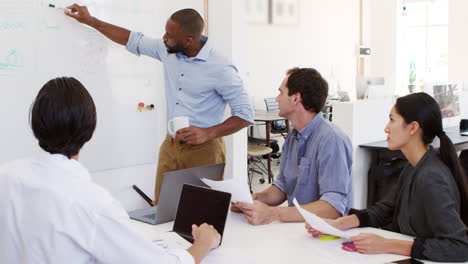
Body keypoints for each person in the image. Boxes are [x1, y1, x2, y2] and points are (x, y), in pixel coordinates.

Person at [0, 77, 220, 264]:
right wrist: (203, 243)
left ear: (36, 123)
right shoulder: (92, 203)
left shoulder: (7, 176)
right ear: (90, 129)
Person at [64, 5, 254, 204]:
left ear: (188, 40)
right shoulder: (167, 50)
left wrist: (208, 133)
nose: (164, 38)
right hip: (170, 146)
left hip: (205, 150)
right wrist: (91, 21)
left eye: (170, 35)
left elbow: (245, 113)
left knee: (199, 212)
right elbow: (131, 39)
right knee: (163, 208)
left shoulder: (221, 68)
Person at [306, 93, 468, 262]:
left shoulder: (431, 177)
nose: (386, 128)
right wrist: (337, 224)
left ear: (412, 128)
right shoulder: (414, 167)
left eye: (392, 120)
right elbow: (385, 210)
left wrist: (387, 244)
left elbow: (460, 246)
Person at [234, 68, 353, 225]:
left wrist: (273, 213)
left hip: (327, 236)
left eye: (281, 92)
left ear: (295, 99)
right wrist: (254, 199)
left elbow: (332, 207)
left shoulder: (331, 140)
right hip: (299, 231)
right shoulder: (292, 137)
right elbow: (282, 187)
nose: (276, 99)